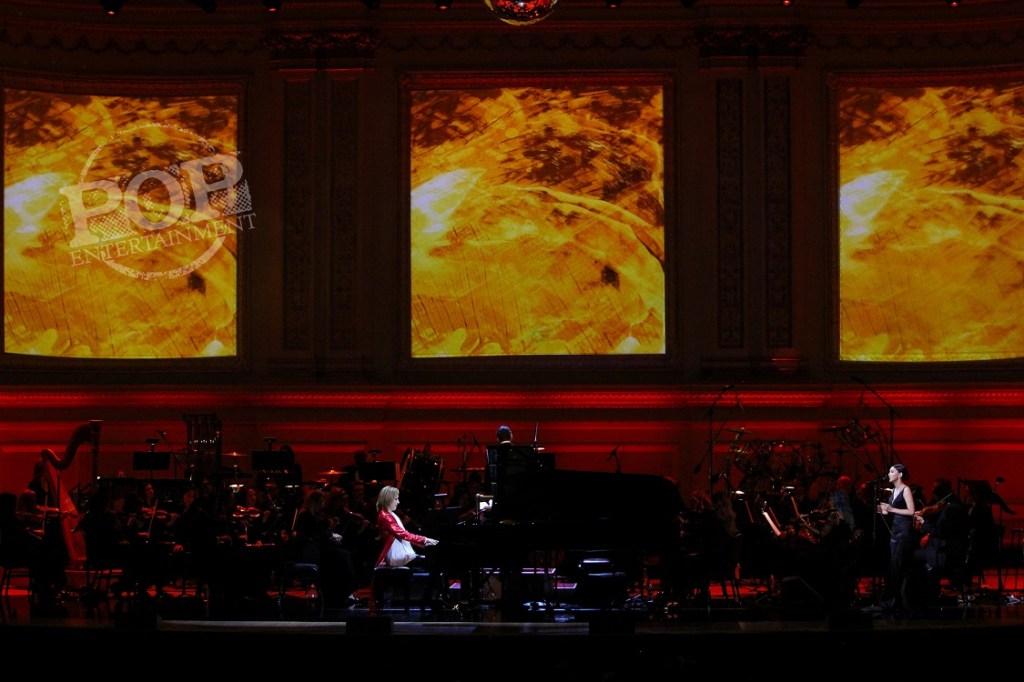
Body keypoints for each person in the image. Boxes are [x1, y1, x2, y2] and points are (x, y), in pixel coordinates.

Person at [292, 488, 359, 607]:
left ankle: (343, 590)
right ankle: (339, 591)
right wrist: (329, 532)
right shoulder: (305, 516)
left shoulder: (317, 516)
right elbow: (313, 534)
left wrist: (330, 532)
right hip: (311, 550)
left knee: (344, 553)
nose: (323, 505)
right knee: (339, 555)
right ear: (315, 503)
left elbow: (323, 533)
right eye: (321, 502)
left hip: (320, 548)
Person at [875, 463, 917, 616]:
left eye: (892, 471)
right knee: (894, 565)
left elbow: (911, 511)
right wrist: (884, 511)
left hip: (904, 532)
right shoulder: (894, 491)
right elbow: (894, 512)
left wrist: (891, 509)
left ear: (900, 474)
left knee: (900, 565)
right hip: (895, 530)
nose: (889, 474)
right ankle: (894, 599)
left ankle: (897, 601)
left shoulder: (906, 489)